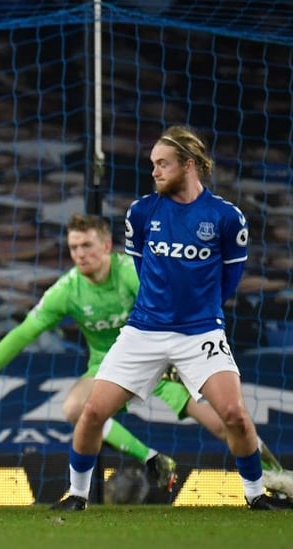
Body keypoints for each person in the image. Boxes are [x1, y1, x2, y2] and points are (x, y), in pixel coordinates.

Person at [0, 214, 293, 497]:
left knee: (223, 422)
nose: (80, 255)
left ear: (106, 247)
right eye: (73, 248)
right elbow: (24, 332)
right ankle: (152, 459)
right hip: (110, 366)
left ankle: (277, 478)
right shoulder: (66, 290)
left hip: (165, 359)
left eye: (87, 246)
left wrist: (182, 361)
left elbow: (175, 311)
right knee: (74, 409)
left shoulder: (131, 272)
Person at [49, 126, 290, 511]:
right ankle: (76, 495)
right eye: (152, 164)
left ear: (188, 165)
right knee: (92, 411)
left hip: (200, 333)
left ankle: (256, 494)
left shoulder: (227, 218)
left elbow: (229, 279)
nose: (155, 172)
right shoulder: (141, 212)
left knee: (234, 415)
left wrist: (197, 312)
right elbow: (145, 271)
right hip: (144, 331)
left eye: (163, 164)